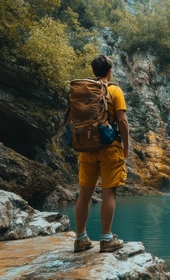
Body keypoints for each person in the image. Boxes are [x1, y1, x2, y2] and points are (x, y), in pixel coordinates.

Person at [73, 54, 129, 253]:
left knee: (85, 194)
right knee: (109, 193)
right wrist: (126, 146)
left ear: (94, 71)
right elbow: (121, 121)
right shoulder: (114, 90)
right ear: (109, 71)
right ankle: (106, 239)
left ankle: (80, 239)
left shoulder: (84, 91)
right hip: (109, 148)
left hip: (86, 148)